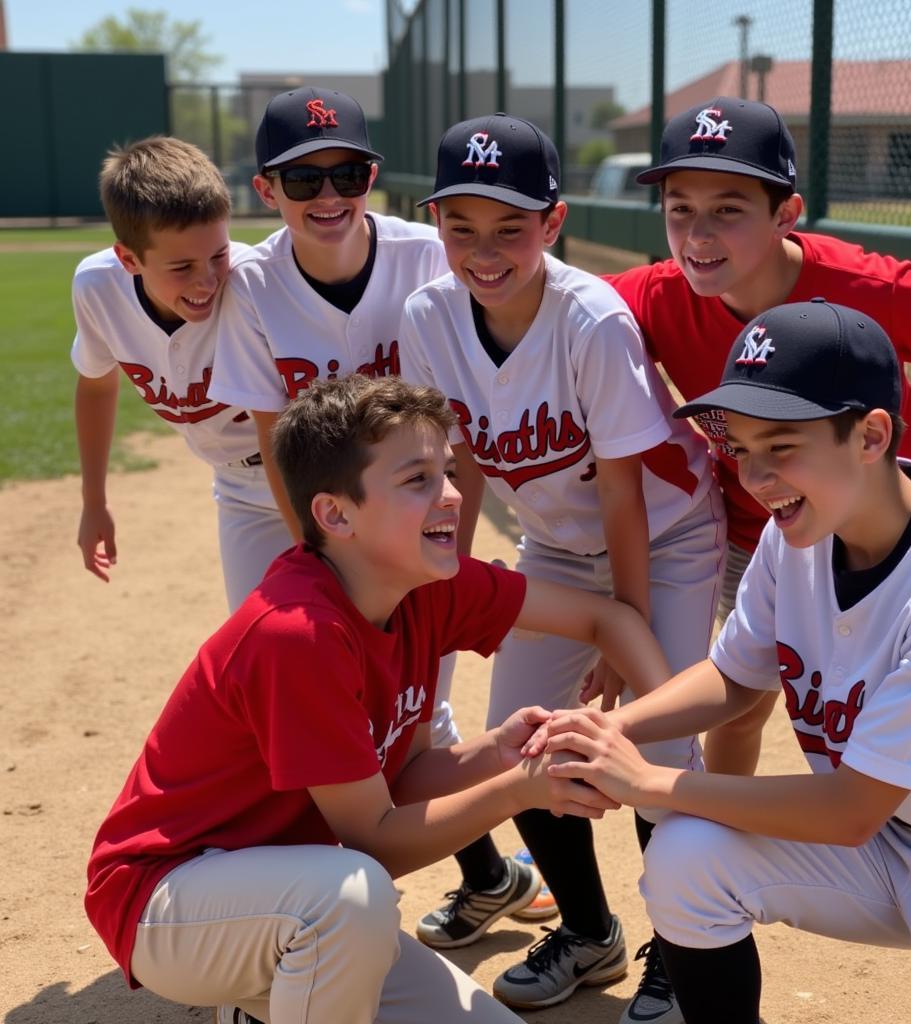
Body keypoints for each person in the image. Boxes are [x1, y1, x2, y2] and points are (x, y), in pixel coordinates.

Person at [84, 373, 677, 1024]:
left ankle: (264, 1004)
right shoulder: (298, 633)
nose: (453, 496)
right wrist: (517, 791)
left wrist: (503, 754)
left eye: (447, 472)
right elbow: (375, 842)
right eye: (417, 479)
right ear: (336, 515)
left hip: (289, 897)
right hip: (168, 898)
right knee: (353, 897)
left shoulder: (423, 585)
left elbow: (603, 620)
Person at [534, 299, 911, 1024]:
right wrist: (606, 732)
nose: (757, 477)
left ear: (871, 434)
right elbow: (734, 678)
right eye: (742, 447)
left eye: (783, 445)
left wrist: (650, 781)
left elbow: (850, 809)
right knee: (684, 857)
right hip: (881, 848)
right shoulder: (800, 527)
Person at [399, 112, 724, 1021]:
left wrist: (621, 643)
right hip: (556, 546)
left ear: (553, 222)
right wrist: (444, 596)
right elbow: (456, 465)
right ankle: (590, 931)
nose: (484, 250)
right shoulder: (428, 316)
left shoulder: (590, 319)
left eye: (510, 227)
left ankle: (686, 948)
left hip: (662, 541)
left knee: (656, 741)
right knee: (520, 737)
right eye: (460, 227)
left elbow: (623, 495)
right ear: (436, 227)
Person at [606, 96, 911, 778]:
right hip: (761, 519)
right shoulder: (658, 294)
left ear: (785, 216)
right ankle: (728, 843)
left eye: (728, 209)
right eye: (680, 209)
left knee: (886, 696)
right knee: (742, 701)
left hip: (884, 518)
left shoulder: (859, 285)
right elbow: (564, 305)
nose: (698, 234)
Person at [207, 85, 520, 927]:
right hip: (275, 506)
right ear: (265, 191)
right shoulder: (252, 283)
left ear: (374, 175)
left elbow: (458, 431)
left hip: (411, 500)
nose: (329, 198)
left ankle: (478, 875)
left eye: (347, 173)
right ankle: (281, 903)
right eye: (301, 182)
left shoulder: (427, 256)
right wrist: (323, 556)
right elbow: (277, 439)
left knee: (421, 696)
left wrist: (440, 537)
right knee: (297, 687)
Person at [71, 136, 291, 612]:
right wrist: (93, 502)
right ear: (128, 259)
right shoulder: (97, 288)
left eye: (218, 255)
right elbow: (95, 385)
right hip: (237, 490)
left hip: (309, 470)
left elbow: (279, 424)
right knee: (258, 643)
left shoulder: (254, 282)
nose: (207, 279)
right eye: (182, 266)